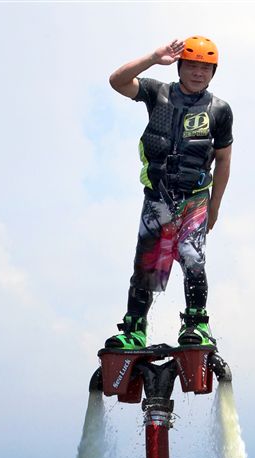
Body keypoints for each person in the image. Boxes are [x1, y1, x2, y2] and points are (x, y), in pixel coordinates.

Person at [105, 36, 233, 350]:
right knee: (147, 264)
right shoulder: (157, 93)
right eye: (191, 65)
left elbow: (224, 160)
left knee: (192, 258)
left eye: (205, 68)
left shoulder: (219, 110)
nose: (198, 73)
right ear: (179, 66)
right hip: (158, 197)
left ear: (213, 72)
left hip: (195, 198)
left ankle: (196, 325)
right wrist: (153, 57)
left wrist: (214, 207)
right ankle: (134, 330)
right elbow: (117, 81)